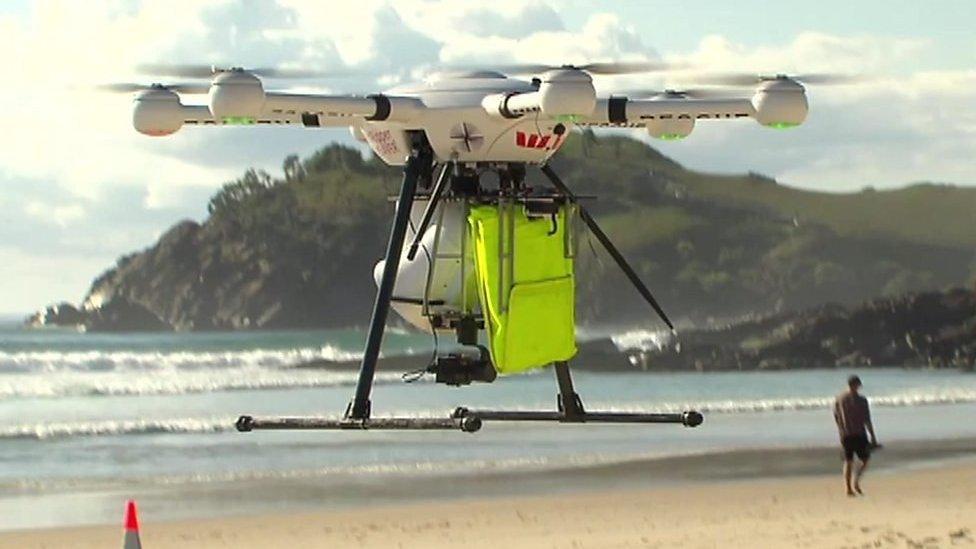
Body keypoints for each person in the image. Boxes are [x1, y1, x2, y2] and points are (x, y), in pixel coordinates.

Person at [833, 375, 879, 496]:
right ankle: (856, 482)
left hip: (845, 433)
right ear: (856, 385)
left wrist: (840, 430)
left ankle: (849, 488)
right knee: (864, 459)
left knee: (848, 461)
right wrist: (873, 436)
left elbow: (836, 417)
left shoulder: (839, 399)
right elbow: (867, 420)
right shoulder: (862, 400)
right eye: (858, 385)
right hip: (859, 433)